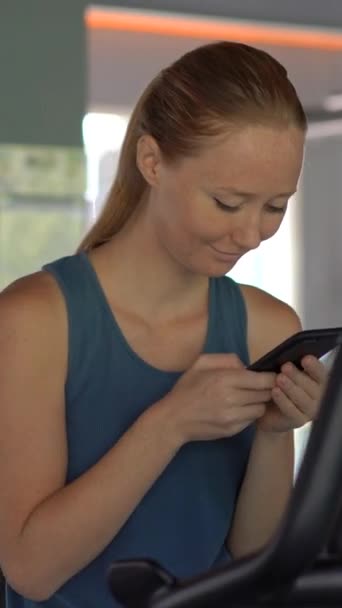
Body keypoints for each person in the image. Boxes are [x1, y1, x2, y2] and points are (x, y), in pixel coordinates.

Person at [0, 41, 327, 608]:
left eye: (275, 207)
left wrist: (275, 433)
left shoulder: (268, 326)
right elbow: (31, 570)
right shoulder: (34, 322)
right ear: (151, 162)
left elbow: (255, 562)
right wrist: (168, 424)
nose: (251, 234)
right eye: (228, 203)